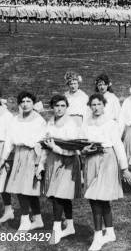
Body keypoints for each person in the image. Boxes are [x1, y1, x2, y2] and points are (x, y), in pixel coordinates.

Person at [82, 93, 131, 251]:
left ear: (104, 105)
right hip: (91, 160)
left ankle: (98, 236)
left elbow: (118, 146)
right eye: (93, 105)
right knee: (97, 199)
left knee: (98, 196)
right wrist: (84, 150)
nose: (96, 107)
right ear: (90, 106)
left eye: (99, 104)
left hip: (107, 159)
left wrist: (124, 168)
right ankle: (110, 232)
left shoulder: (111, 123)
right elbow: (82, 142)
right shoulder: (87, 122)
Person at [1, 91, 46, 231]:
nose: (25, 104)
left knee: (27, 189)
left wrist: (39, 163)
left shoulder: (39, 120)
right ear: (19, 104)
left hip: (33, 154)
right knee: (21, 188)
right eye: (23, 102)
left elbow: (41, 142)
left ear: (33, 103)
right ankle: (37, 219)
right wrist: (4, 158)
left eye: (28, 101)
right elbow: (9, 141)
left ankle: (26, 219)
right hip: (19, 154)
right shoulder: (15, 120)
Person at [39, 95, 81, 244]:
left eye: (63, 105)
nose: (59, 108)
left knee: (59, 195)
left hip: (68, 162)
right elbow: (45, 146)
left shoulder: (71, 124)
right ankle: (69, 225)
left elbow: (73, 150)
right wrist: (40, 165)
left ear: (66, 107)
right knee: (59, 195)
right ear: (52, 107)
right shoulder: (50, 123)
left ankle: (56, 230)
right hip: (52, 161)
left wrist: (55, 148)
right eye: (56, 105)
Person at [0, 86, 14, 229]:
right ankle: (8, 210)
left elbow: (9, 139)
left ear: (0, 98)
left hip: (0, 151)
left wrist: (4, 158)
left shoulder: (7, 116)